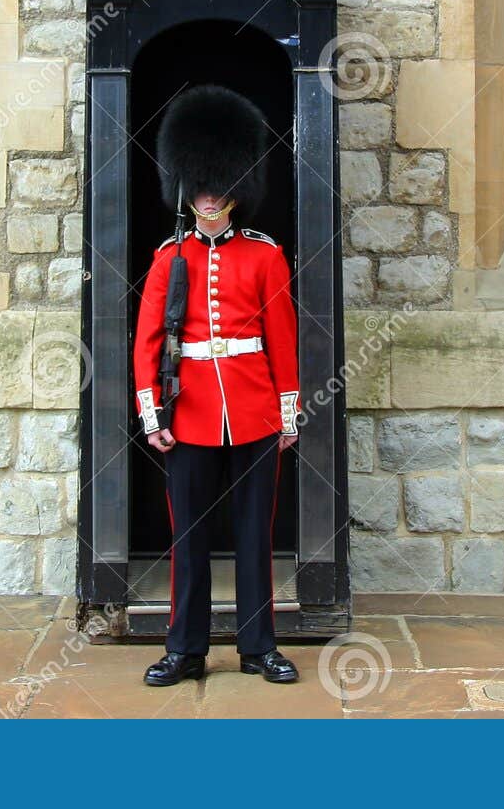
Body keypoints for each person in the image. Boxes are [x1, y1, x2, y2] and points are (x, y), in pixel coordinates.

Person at [133, 84, 301, 686]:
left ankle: (259, 647)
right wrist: (153, 413)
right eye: (199, 183)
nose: (208, 194)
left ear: (238, 185)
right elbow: (148, 342)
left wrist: (288, 412)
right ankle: (186, 649)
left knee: (255, 536)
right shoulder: (168, 256)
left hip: (254, 412)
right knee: (190, 538)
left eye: (219, 181)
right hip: (192, 413)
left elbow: (281, 338)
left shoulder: (265, 256)